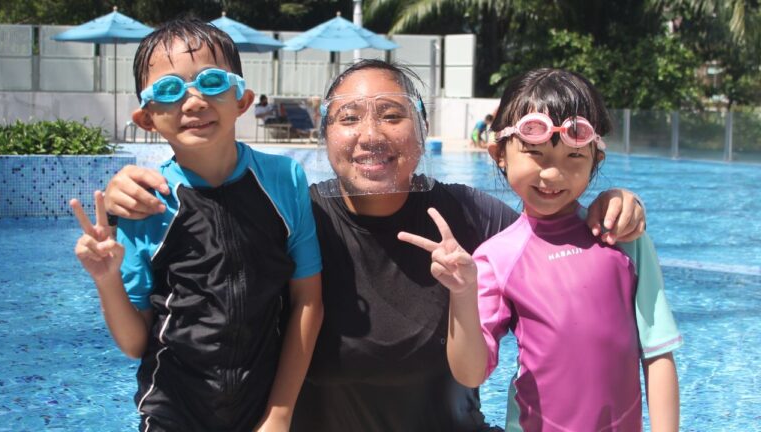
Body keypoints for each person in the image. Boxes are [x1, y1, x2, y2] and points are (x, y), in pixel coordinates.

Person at [101, 60, 647, 432]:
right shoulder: (295, 217)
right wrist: (147, 181)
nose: (370, 135)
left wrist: (611, 204)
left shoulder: (469, 216)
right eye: (349, 118)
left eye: (391, 114)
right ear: (325, 135)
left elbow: (557, 243)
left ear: (420, 129)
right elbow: (212, 216)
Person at [70, 19, 323, 432]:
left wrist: (279, 413)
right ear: (147, 118)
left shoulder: (284, 180)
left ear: (242, 99)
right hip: (172, 409)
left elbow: (308, 301)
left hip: (261, 406)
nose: (193, 101)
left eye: (212, 82)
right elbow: (136, 342)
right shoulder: (146, 202)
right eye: (169, 90)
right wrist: (106, 279)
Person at [399, 68, 682, 431]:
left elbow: (657, 353)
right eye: (535, 153)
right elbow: (471, 373)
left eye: (573, 158)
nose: (552, 174)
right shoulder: (496, 257)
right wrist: (463, 293)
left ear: (596, 159)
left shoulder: (622, 237)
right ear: (499, 154)